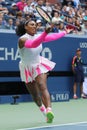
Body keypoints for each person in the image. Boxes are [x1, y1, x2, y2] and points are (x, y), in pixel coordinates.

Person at [16, 19, 72, 123]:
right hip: (27, 68)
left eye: (35, 25)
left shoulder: (38, 36)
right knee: (35, 95)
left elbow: (52, 37)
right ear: (25, 27)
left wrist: (65, 32)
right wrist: (45, 32)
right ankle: (44, 112)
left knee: (42, 85)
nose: (34, 26)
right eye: (32, 25)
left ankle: (49, 110)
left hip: (38, 64)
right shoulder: (22, 40)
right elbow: (33, 44)